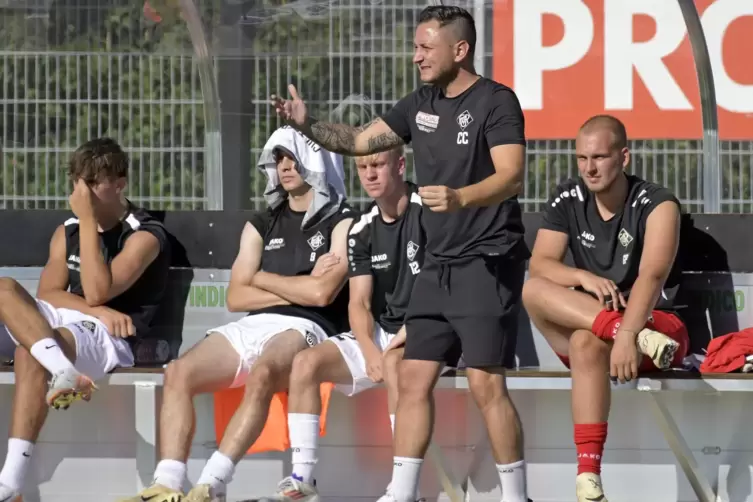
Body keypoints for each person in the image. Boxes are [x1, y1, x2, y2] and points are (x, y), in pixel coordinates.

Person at [271, 6, 530, 502]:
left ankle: (517, 496)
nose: (416, 57)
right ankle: (403, 493)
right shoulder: (418, 103)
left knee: (485, 386)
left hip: (485, 261)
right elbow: (359, 141)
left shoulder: (497, 102)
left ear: (460, 49)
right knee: (410, 376)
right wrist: (308, 125)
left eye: (425, 48)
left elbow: (511, 176)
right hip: (437, 267)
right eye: (415, 47)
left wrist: (461, 198)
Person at [120, 126, 355, 502]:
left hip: (308, 326)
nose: (284, 166)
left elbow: (323, 294)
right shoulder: (262, 222)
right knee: (179, 372)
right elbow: (236, 296)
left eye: (292, 156)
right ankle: (167, 483)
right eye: (277, 158)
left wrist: (262, 279)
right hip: (255, 323)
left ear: (313, 160)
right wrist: (295, 284)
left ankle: (211, 483)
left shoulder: (340, 219)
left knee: (263, 371)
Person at [522, 115, 689, 502]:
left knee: (584, 343)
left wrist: (630, 333)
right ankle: (589, 485)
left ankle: (587, 473)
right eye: (581, 158)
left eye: (599, 157)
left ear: (624, 157)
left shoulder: (658, 202)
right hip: (613, 334)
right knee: (535, 290)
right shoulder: (567, 197)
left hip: (656, 330)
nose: (589, 168)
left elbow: (651, 276)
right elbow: (542, 263)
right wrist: (582, 277)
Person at [259, 145, 437, 501]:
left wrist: (393, 345)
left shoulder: (429, 212)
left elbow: (441, 286)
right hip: (383, 332)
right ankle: (302, 480)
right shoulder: (362, 229)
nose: (370, 174)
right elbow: (358, 302)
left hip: (431, 327)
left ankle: (405, 491)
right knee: (306, 362)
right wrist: (369, 348)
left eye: (378, 165)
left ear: (400, 165)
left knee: (396, 362)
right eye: (362, 167)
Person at [0, 137, 171, 502]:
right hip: (82, 319)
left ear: (120, 184)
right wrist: (94, 309)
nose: (83, 190)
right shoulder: (67, 231)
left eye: (93, 182)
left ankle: (11, 482)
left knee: (32, 353)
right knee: (4, 289)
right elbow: (48, 293)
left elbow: (96, 290)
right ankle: (64, 371)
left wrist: (89, 220)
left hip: (111, 338)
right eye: (79, 180)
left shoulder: (145, 234)